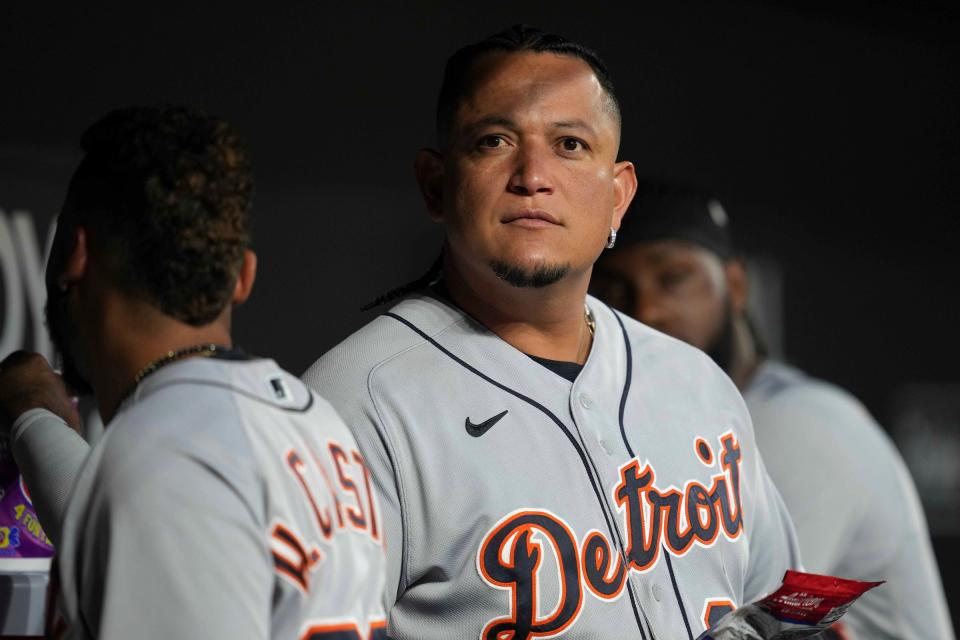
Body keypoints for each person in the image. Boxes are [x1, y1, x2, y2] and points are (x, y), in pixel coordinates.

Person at [303, 26, 801, 640]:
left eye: (569, 144)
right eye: (494, 141)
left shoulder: (697, 382)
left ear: (618, 196)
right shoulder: (355, 407)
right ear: (436, 185)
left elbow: (778, 607)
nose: (533, 175)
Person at [0, 106, 387, 639]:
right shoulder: (316, 423)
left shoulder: (164, 457)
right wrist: (33, 416)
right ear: (244, 278)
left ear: (76, 254)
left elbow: (163, 496)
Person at [590, 180, 955, 640]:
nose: (648, 309)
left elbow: (729, 628)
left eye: (673, 278)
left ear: (736, 284)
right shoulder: (683, 426)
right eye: (615, 288)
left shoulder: (794, 424)